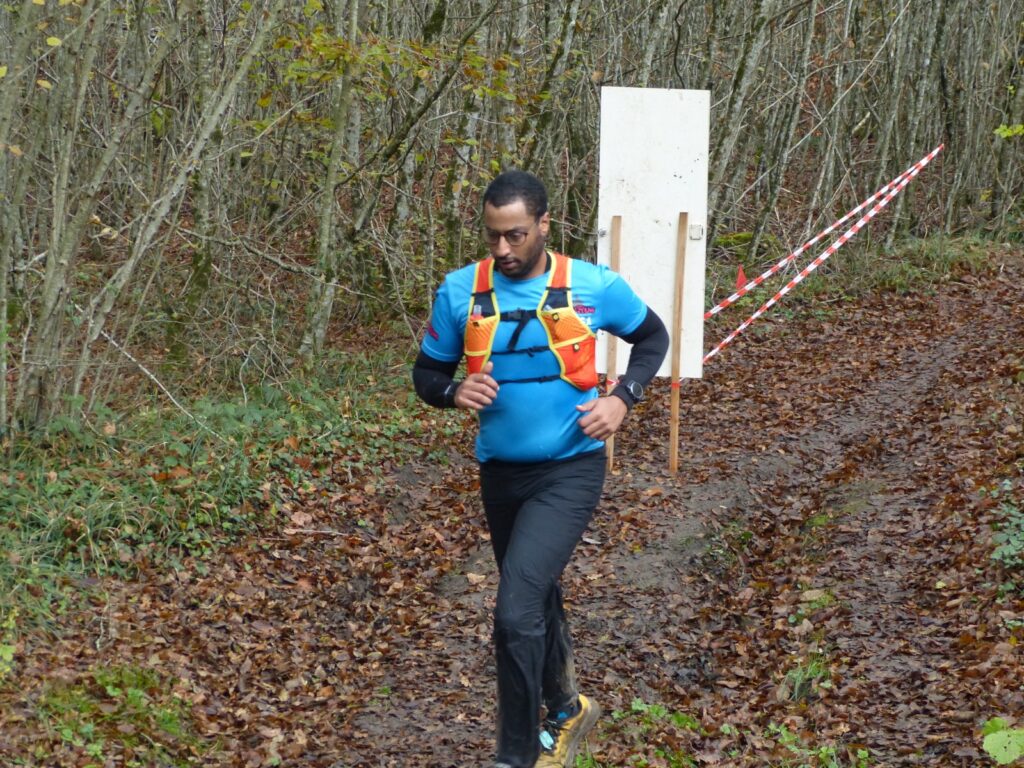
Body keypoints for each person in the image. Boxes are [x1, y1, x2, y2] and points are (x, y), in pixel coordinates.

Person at [412, 170, 669, 768]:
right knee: (534, 593)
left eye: (516, 235)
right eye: (493, 236)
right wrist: (453, 393)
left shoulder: (592, 286)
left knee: (514, 610)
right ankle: (568, 707)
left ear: (545, 225)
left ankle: (518, 753)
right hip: (501, 474)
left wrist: (622, 398)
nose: (503, 249)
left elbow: (653, 339)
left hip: (570, 469)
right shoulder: (460, 291)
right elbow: (426, 374)